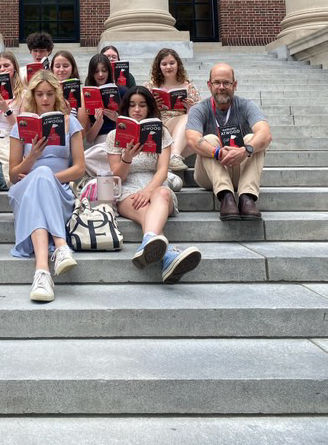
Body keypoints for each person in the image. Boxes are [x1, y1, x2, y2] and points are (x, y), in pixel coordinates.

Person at [105, 86, 201, 283]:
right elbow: (117, 177)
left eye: (142, 105)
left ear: (149, 108)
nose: (137, 110)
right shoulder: (114, 136)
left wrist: (149, 190)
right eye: (132, 105)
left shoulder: (161, 132)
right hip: (127, 189)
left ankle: (148, 241)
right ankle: (168, 257)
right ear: (126, 109)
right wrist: (127, 158)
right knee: (147, 208)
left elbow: (163, 170)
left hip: (157, 185)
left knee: (163, 194)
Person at [8, 70, 85, 302]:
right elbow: (13, 175)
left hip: (58, 190)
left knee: (43, 176)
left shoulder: (70, 122)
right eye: (39, 94)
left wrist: (49, 177)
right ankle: (61, 246)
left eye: (49, 94)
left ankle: (41, 272)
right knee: (40, 173)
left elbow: (80, 168)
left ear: (57, 95)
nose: (44, 99)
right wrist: (33, 156)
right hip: (25, 188)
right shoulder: (20, 126)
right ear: (32, 95)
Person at [185, 62, 272, 220]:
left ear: (235, 85)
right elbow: (192, 140)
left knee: (253, 140)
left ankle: (247, 198)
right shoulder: (200, 109)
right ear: (209, 85)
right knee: (209, 139)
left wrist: (245, 150)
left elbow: (266, 134)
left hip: (240, 170)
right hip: (209, 176)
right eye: (217, 82)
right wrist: (217, 152)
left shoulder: (246, 105)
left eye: (226, 82)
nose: (221, 87)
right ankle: (226, 197)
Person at [146, 48, 201, 171]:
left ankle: (169, 158)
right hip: (160, 124)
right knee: (189, 123)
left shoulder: (189, 87)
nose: (168, 67)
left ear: (178, 64)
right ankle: (174, 156)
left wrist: (191, 108)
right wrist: (152, 105)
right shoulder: (150, 86)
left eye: (172, 63)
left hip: (184, 126)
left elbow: (200, 115)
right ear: (158, 66)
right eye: (164, 64)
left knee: (191, 122)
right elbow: (139, 111)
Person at [0, 50, 24, 188]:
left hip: (10, 137)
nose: (2, 69)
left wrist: (6, 109)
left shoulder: (23, 94)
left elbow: (21, 128)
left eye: (6, 65)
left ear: (14, 68)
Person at [50, 49, 87, 123]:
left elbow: (82, 130)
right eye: (57, 66)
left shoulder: (80, 96)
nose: (61, 69)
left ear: (72, 68)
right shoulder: (47, 93)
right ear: (52, 69)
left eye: (65, 66)